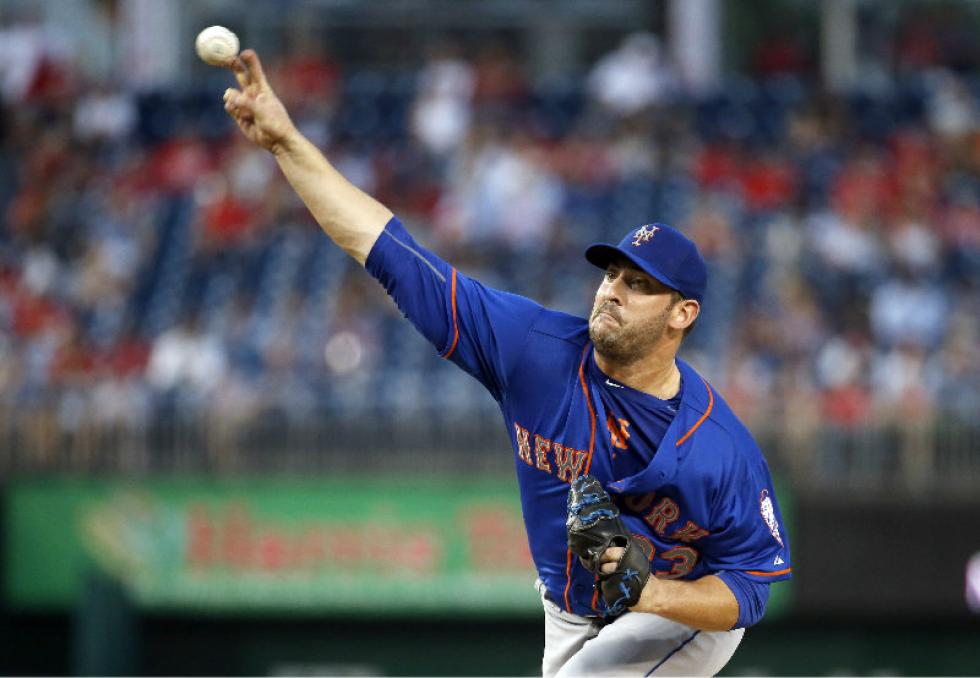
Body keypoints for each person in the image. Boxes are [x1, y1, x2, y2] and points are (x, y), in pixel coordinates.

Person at [222, 49, 792, 677]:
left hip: (676, 618)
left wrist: (652, 592)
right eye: (611, 273)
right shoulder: (534, 351)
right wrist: (285, 144)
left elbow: (750, 588)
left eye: (639, 284)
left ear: (682, 314)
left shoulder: (717, 448)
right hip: (568, 612)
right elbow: (389, 251)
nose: (612, 291)